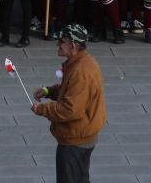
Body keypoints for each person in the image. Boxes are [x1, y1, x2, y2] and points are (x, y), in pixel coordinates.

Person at [31, 23, 107, 183]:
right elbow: (72, 92)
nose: (58, 44)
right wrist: (49, 91)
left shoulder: (81, 71)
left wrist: (42, 109)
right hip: (81, 135)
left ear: (73, 45)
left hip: (76, 139)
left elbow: (70, 109)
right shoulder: (82, 62)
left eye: (62, 41)